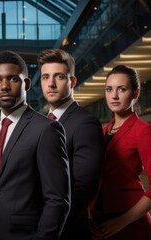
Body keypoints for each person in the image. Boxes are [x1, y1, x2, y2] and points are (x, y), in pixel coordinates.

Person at [0, 50, 70, 240]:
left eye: (12, 79)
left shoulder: (47, 130)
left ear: (27, 84)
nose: (4, 86)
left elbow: (57, 199)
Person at [89, 65, 151, 240]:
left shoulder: (145, 130)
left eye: (122, 89)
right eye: (109, 89)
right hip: (98, 223)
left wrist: (122, 221)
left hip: (130, 224)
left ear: (135, 93)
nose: (114, 96)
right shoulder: (100, 132)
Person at [37, 48, 104, 240]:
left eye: (58, 77)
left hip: (66, 230)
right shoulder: (41, 123)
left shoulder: (85, 123)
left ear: (72, 81)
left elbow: (84, 186)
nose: (50, 83)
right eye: (45, 77)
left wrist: (48, 223)